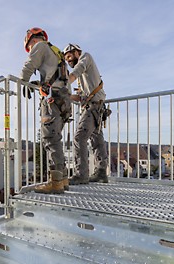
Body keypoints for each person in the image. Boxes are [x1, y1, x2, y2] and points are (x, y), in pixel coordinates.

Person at [20, 27, 72, 194]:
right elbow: (54, 76)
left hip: (53, 100)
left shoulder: (40, 46)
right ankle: (63, 179)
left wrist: (23, 82)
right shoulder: (56, 53)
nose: (31, 49)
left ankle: (55, 182)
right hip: (64, 99)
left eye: (30, 46)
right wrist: (37, 84)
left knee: (50, 139)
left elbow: (29, 65)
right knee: (56, 139)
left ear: (32, 41)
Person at [63, 43, 108, 184]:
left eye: (70, 55)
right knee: (97, 141)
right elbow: (81, 97)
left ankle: (81, 175)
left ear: (77, 52)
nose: (68, 60)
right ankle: (101, 173)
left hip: (93, 108)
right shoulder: (85, 78)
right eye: (66, 58)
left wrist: (64, 83)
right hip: (97, 108)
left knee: (79, 138)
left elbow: (76, 71)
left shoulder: (85, 58)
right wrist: (64, 94)